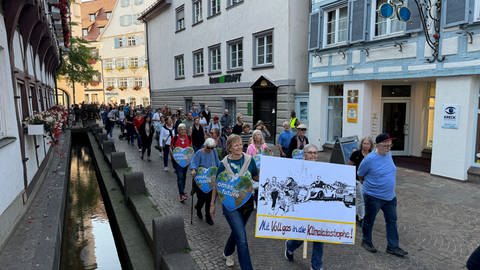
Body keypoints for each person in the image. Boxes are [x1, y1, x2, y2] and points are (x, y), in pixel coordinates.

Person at [210, 134, 258, 269]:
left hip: (247, 203)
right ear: (229, 147)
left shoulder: (249, 160)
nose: (239, 146)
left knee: (238, 231)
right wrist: (212, 204)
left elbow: (256, 177)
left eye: (240, 144)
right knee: (242, 239)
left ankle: (227, 252)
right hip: (230, 204)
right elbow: (217, 183)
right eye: (235, 144)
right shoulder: (223, 164)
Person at [358, 133, 408, 257]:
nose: (389, 147)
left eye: (390, 144)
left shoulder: (388, 154)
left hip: (390, 196)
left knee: (392, 221)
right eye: (386, 145)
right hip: (373, 196)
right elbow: (360, 173)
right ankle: (366, 241)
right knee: (369, 220)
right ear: (377, 145)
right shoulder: (369, 159)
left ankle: (392, 247)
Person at [285, 144, 325, 270]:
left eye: (315, 153)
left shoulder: (322, 168)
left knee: (319, 235)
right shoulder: (297, 168)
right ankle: (290, 246)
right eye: (310, 153)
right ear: (304, 154)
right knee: (302, 235)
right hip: (302, 206)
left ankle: (316, 265)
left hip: (317, 209)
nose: (313, 155)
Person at [190, 138, 220, 225]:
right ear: (205, 145)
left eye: (212, 148)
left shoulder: (214, 151)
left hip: (211, 179)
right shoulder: (199, 152)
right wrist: (193, 169)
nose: (210, 149)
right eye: (208, 147)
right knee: (202, 198)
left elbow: (218, 162)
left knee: (210, 199)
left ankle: (208, 216)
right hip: (202, 179)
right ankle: (198, 207)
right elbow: (193, 162)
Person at [348, 136, 374, 223]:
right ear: (361, 144)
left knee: (364, 199)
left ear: (371, 145)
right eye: (364, 143)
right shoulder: (356, 154)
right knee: (361, 199)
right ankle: (361, 218)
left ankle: (356, 214)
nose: (366, 145)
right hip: (357, 180)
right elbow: (350, 165)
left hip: (369, 181)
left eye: (368, 144)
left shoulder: (373, 155)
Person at [246, 130, 272, 208]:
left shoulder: (264, 146)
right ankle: (254, 200)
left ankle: (261, 202)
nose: (258, 136)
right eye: (256, 134)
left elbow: (269, 156)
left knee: (263, 186)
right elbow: (247, 158)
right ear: (254, 137)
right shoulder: (250, 147)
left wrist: (269, 152)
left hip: (263, 169)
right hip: (255, 170)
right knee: (255, 187)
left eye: (259, 134)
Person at [171, 123, 192, 202]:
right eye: (182, 129)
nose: (183, 131)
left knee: (184, 176)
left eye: (184, 129)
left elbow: (190, 148)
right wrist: (174, 157)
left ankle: (182, 190)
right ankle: (181, 194)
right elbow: (171, 148)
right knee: (180, 177)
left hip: (186, 161)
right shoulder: (175, 138)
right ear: (178, 131)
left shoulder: (188, 137)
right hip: (178, 162)